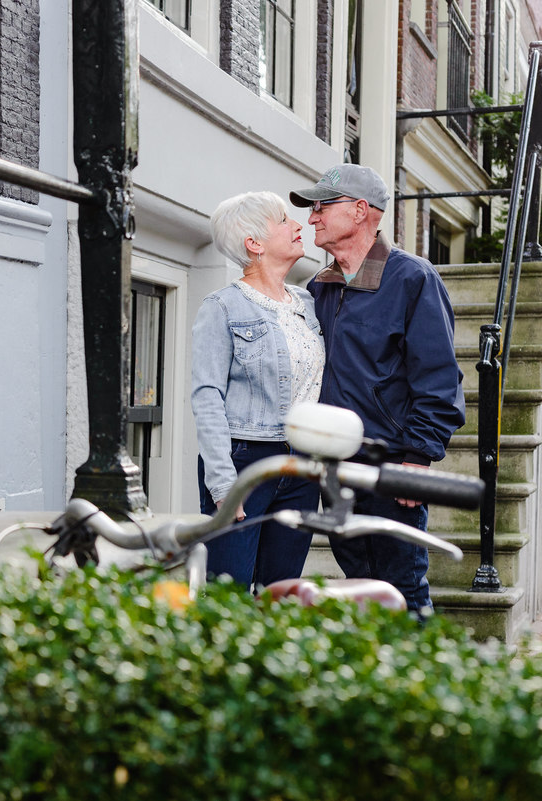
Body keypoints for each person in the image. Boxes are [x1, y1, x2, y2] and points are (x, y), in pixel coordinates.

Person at [289, 164, 465, 613]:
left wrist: (418, 456)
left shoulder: (412, 278)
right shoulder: (320, 287)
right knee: (361, 588)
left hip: (390, 466)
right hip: (334, 466)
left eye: (322, 206)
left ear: (361, 210)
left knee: (402, 591)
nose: (312, 217)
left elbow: (439, 376)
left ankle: (420, 680)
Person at [191, 190, 325, 590]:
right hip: (244, 462)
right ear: (255, 244)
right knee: (227, 595)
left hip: (302, 466)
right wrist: (221, 482)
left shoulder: (306, 303)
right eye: (284, 220)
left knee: (280, 593)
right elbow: (206, 396)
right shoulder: (222, 308)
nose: (298, 225)